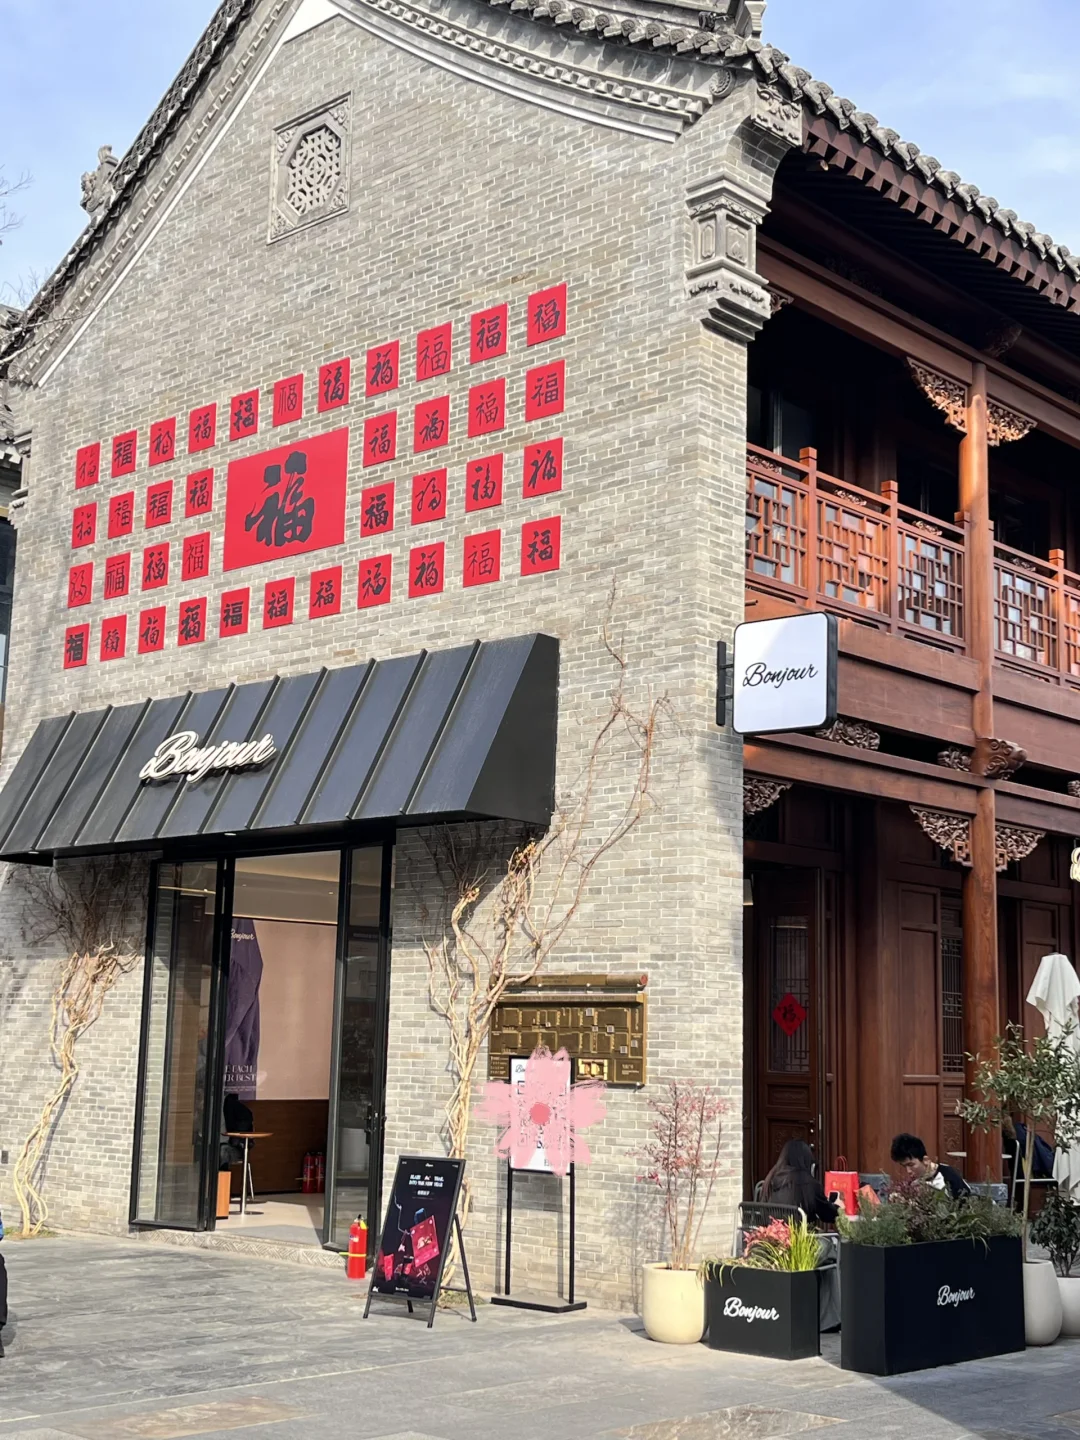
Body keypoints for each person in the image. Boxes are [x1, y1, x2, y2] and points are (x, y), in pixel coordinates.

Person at [761, 1138, 839, 1224]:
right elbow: (828, 1215)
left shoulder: (770, 1178)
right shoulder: (809, 1183)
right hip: (798, 1232)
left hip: (771, 1230)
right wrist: (839, 1208)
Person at [890, 1133, 971, 1198]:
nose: (908, 1171)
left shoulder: (948, 1176)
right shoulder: (914, 1182)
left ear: (925, 1160)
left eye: (911, 1165)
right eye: (904, 1166)